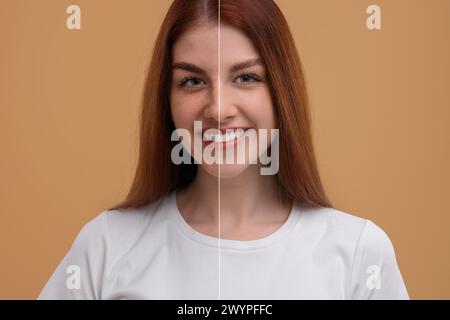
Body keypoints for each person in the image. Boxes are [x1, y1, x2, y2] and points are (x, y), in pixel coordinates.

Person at [38, 0, 409, 299]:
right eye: (192, 80)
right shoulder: (105, 245)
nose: (218, 109)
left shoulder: (359, 252)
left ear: (282, 91)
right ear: (166, 99)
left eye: (246, 77)